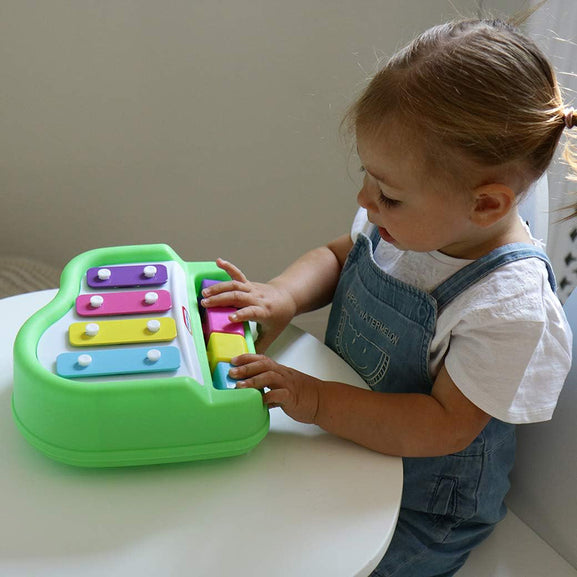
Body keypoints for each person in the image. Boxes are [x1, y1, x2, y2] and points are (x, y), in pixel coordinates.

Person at [200, 17, 575, 577]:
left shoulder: (506, 305)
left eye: (388, 195)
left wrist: (318, 401)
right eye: (368, 179)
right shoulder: (410, 221)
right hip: (340, 442)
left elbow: (443, 425)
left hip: (422, 507)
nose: (365, 200)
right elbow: (338, 256)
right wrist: (280, 295)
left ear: (487, 206)